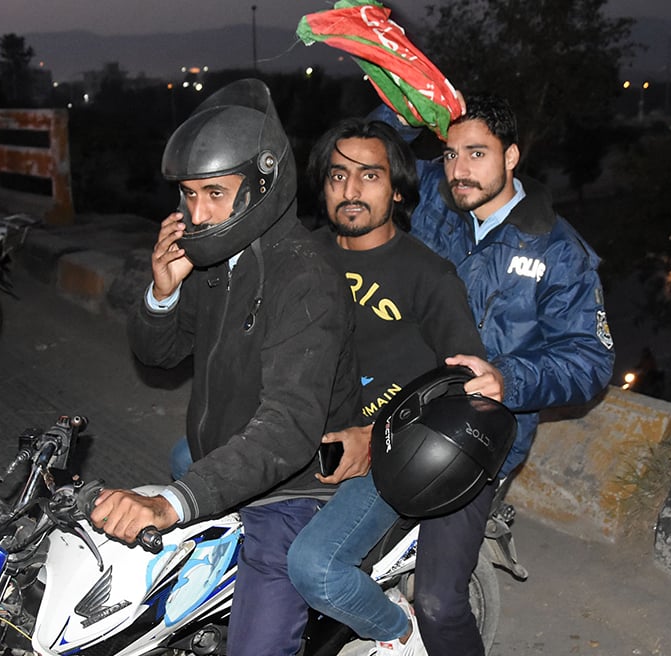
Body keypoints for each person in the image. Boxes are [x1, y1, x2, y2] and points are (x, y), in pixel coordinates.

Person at [88, 79, 363, 656]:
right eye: (188, 195)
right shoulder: (215, 262)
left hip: (291, 489)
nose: (197, 212)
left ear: (263, 184)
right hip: (226, 463)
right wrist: (162, 292)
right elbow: (159, 355)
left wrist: (172, 502)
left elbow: (289, 429)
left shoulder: (305, 279)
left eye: (215, 192)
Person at [373, 93, 616, 655]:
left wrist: (511, 378)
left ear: (512, 156)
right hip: (395, 403)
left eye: (476, 154)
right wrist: (407, 97)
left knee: (437, 601)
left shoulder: (559, 252)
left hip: (479, 439)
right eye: (451, 152)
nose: (459, 170)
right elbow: (377, 158)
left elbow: (591, 359)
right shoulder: (437, 200)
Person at [285, 117, 503, 654]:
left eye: (369, 176)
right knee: (185, 458)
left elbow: (463, 382)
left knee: (316, 567)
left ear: (397, 189)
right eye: (337, 176)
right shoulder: (298, 258)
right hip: (306, 431)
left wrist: (374, 432)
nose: (351, 191)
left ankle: (399, 633)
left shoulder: (428, 276)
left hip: (390, 452)